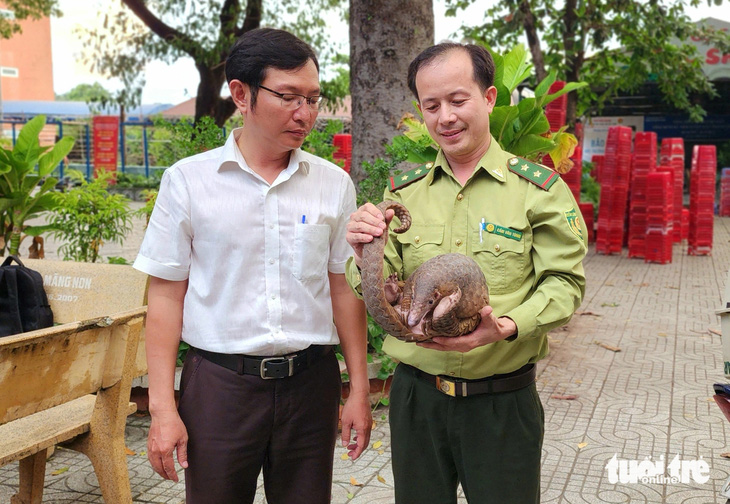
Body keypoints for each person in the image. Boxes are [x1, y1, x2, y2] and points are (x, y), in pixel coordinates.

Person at [133, 28, 372, 504]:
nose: (304, 114)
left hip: (310, 385)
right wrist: (163, 409)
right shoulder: (188, 182)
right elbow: (164, 295)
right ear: (241, 94)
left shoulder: (332, 184)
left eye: (313, 98)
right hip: (220, 387)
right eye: (287, 97)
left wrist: (359, 388)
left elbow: (344, 288)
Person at [345, 42, 587, 504]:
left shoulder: (538, 190)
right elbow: (382, 285)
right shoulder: (404, 191)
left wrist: (508, 327)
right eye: (431, 106)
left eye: (458, 100)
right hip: (416, 399)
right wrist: (362, 255)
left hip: (501, 402)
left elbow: (565, 283)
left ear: (490, 98)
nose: (446, 117)